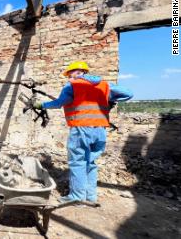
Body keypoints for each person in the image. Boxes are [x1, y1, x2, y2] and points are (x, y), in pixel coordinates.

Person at [33, 61, 133, 203]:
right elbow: (129, 94)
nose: (68, 77)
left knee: (78, 162)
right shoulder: (105, 85)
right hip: (100, 130)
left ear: (76, 72)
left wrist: (41, 104)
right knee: (90, 163)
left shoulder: (72, 85)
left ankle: (77, 197)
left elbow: (59, 103)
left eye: (69, 74)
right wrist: (110, 99)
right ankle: (90, 197)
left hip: (81, 129)